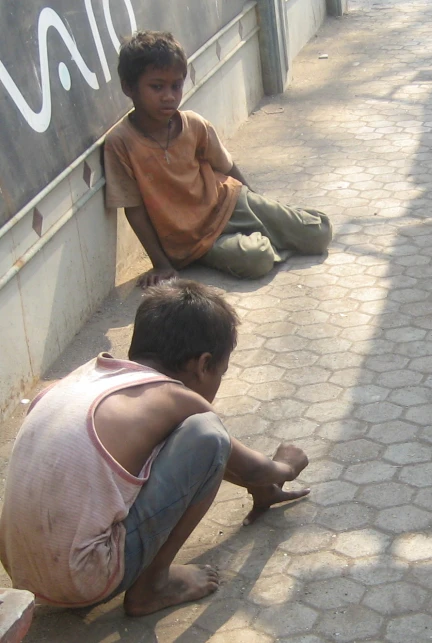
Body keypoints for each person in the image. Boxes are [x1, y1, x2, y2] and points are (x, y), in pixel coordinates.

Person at [0, 280, 310, 616]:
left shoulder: (79, 381)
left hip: (21, 571)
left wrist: (260, 488)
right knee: (207, 434)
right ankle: (152, 586)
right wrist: (286, 467)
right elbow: (240, 462)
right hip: (82, 579)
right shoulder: (174, 398)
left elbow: (206, 468)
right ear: (203, 364)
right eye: (220, 371)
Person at [104, 31, 332, 288]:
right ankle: (270, 237)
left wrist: (259, 202)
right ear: (128, 87)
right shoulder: (120, 143)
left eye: (176, 86)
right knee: (257, 260)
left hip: (231, 202)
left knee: (319, 233)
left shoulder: (193, 124)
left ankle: (275, 227)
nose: (168, 96)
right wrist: (162, 264)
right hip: (195, 239)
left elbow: (226, 166)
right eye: (157, 87)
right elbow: (133, 210)